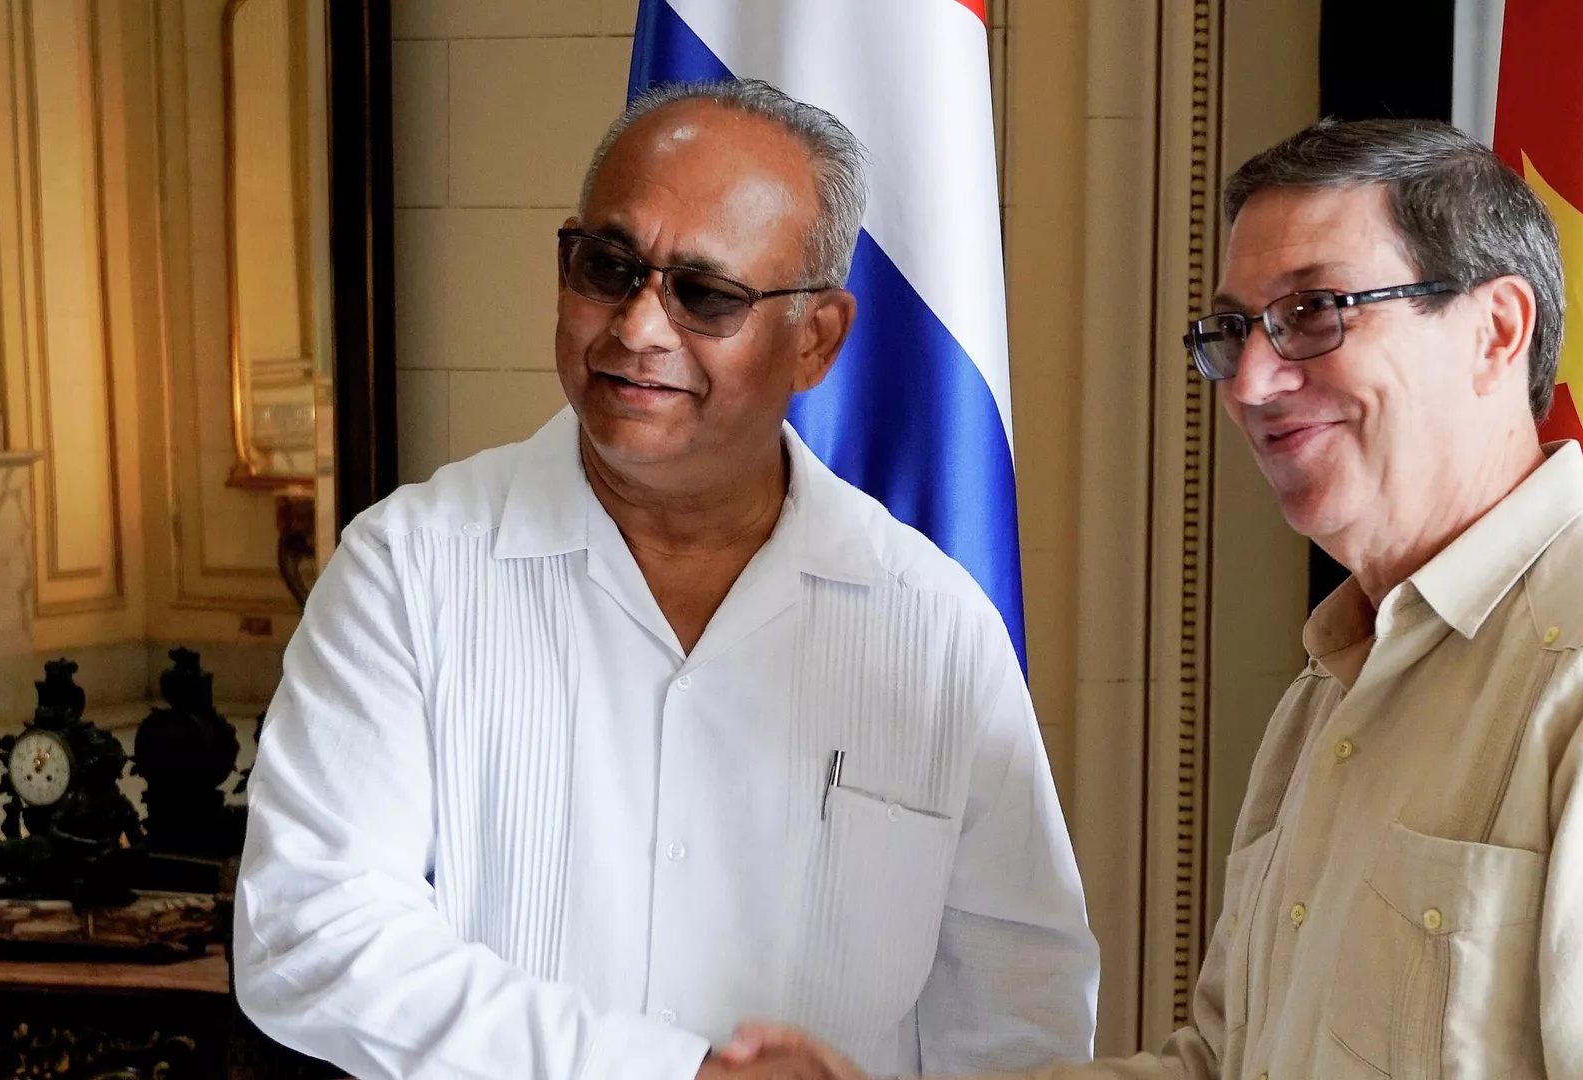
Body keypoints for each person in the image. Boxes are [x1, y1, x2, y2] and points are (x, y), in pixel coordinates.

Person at [725, 117, 1583, 1079]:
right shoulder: (1336, 685)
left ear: (1496, 330)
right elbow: (1225, 1067)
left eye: (1315, 313)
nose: (1255, 382)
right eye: (1233, 331)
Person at [234, 78, 1098, 1080]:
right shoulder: (408, 571)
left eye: (705, 295)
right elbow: (309, 934)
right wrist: (672, 1073)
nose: (638, 328)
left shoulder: (934, 625)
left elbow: (1018, 1017)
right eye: (608, 268)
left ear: (816, 339)